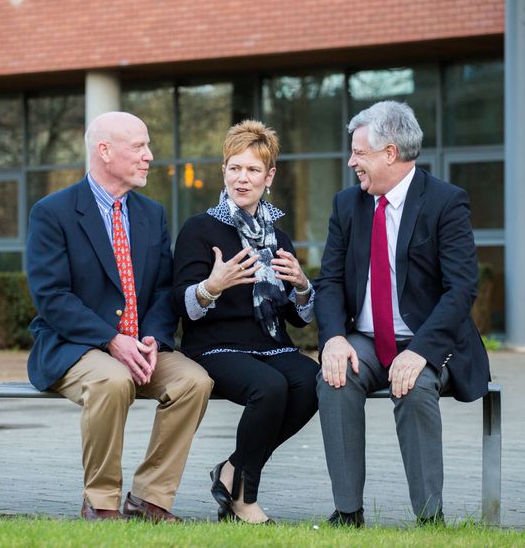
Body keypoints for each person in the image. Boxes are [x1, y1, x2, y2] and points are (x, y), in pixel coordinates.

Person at [25, 111, 213, 522]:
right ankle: (102, 503)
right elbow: (51, 297)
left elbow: (164, 289)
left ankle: (149, 499)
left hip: (139, 344)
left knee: (194, 381)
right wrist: (112, 339)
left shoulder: (152, 213)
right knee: (112, 380)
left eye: (148, 146)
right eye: (139, 146)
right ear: (105, 151)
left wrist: (153, 340)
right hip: (75, 345)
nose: (149, 156)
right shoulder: (52, 212)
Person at [315, 101, 491, 527]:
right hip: (368, 340)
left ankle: (430, 519)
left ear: (389, 153)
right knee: (334, 378)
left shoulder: (446, 202)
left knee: (413, 388)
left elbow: (461, 288)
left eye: (359, 152)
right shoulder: (347, 205)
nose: (351, 161)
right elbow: (330, 282)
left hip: (431, 340)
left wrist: (422, 351)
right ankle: (348, 513)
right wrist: (334, 338)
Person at [172, 120, 319, 524]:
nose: (242, 178)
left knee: (312, 382)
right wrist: (211, 286)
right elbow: (182, 306)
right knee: (269, 387)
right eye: (235, 168)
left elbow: (297, 317)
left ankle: (233, 470)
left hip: (271, 343)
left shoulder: (279, 238)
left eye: (253, 170)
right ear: (223, 171)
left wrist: (303, 286)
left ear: (269, 177)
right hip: (215, 346)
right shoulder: (200, 229)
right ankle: (243, 498)